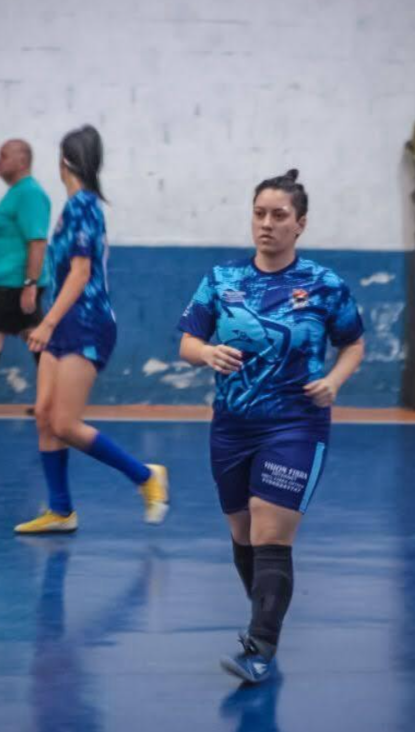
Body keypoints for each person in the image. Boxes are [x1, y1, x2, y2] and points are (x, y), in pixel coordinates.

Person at [178, 169, 365, 683]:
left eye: (279, 215)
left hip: (296, 425)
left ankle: (260, 646)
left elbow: (353, 342)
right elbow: (187, 342)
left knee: (268, 527)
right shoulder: (222, 280)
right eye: (259, 213)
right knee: (242, 532)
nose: (267, 224)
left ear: (300, 224)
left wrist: (335, 380)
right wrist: (207, 352)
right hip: (232, 427)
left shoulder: (325, 286)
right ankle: (265, 610)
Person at [14, 125, 168, 534]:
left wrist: (45, 322)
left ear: (65, 161)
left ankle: (146, 477)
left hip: (86, 323)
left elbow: (81, 273)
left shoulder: (84, 205)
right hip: (63, 322)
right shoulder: (72, 210)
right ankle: (61, 511)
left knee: (64, 423)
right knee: (45, 416)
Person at [0, 139, 50, 389]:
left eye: (3, 156)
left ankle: (55, 397)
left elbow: (37, 241)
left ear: (21, 161)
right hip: (10, 282)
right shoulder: (18, 193)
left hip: (13, 284)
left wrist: (29, 284)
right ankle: (54, 398)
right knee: (35, 337)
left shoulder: (30, 193)